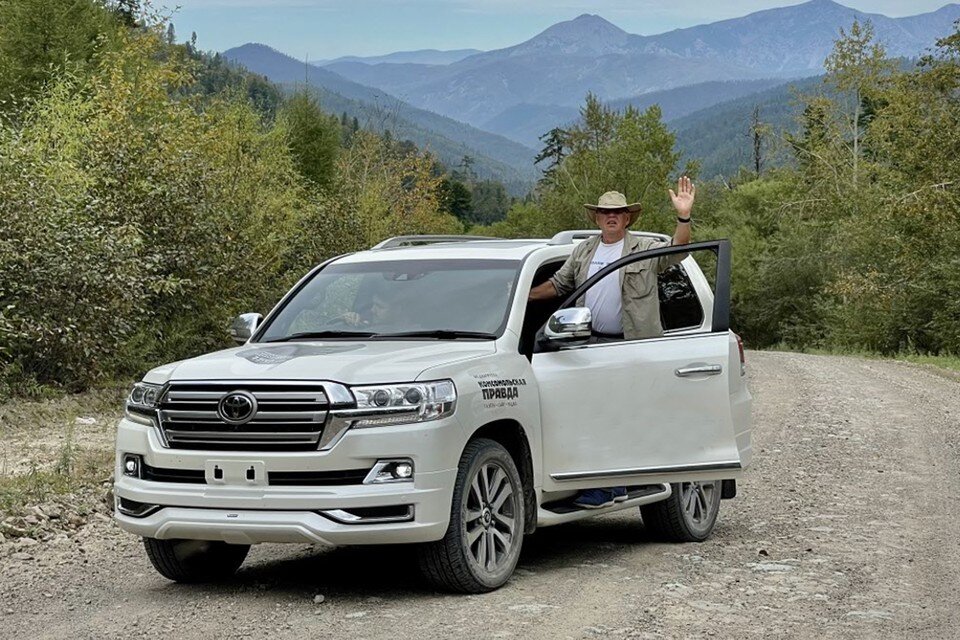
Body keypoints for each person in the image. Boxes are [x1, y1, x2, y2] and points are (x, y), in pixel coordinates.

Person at [527, 176, 696, 508]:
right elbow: (559, 285)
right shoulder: (583, 251)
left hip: (631, 348)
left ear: (627, 218)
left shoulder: (643, 249)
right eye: (605, 212)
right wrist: (520, 295)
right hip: (588, 347)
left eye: (618, 212)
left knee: (619, 416)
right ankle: (612, 485)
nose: (611, 216)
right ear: (597, 218)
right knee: (597, 416)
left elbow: (679, 250)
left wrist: (683, 216)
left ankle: (609, 486)